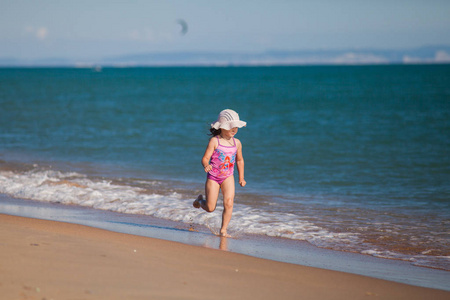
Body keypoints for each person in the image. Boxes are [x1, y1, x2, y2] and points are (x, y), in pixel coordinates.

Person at [193, 109, 247, 237]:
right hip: (213, 177)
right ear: (222, 127)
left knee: (229, 202)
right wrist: (206, 165)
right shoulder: (215, 141)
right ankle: (200, 201)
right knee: (211, 208)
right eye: (231, 127)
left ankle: (223, 230)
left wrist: (241, 178)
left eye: (236, 127)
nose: (234, 130)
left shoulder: (237, 143)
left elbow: (239, 160)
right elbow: (205, 158)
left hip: (228, 177)